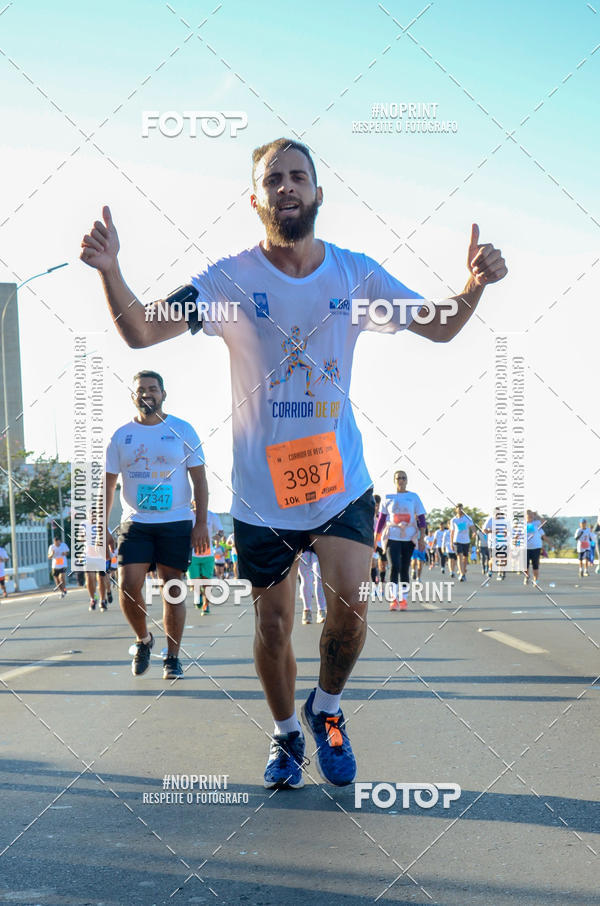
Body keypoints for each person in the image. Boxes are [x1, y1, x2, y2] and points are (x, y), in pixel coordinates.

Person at [81, 137, 507, 788]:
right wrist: (110, 271)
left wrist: (474, 285)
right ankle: (285, 735)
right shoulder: (228, 282)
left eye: (298, 176)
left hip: (339, 482)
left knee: (351, 609)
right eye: (273, 178)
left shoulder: (356, 276)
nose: (286, 186)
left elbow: (441, 324)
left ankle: (326, 709)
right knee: (275, 624)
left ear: (317, 193)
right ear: (255, 199)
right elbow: (142, 330)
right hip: (263, 495)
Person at [104, 371, 209, 679]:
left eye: (153, 389)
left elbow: (200, 480)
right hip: (136, 521)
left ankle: (172, 657)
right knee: (128, 585)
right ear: (132, 396)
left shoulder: (182, 429)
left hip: (175, 520)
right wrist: (100, 526)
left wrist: (201, 523)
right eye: (141, 390)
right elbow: (107, 485)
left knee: (172, 587)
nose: (146, 394)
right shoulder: (121, 436)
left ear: (163, 394)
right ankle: (144, 639)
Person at [381, 471, 427, 611]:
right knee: (394, 566)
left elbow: (421, 518)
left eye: (403, 478)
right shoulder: (388, 497)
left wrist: (421, 538)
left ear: (407, 480)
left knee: (404, 568)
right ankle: (393, 599)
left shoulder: (413, 497)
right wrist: (376, 536)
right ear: (394, 480)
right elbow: (381, 519)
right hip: (392, 537)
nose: (401, 480)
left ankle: (403, 599)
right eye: (398, 478)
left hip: (409, 538)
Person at [188, 509, 222, 613]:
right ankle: (198, 594)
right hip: (192, 555)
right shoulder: (187, 514)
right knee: (195, 582)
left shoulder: (212, 516)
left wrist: (212, 538)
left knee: (206, 583)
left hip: (208, 555)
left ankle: (206, 606)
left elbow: (220, 532)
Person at [298, 548, 327, 624]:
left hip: (318, 546)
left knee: (320, 578)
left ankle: (321, 610)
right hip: (302, 547)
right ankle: (307, 611)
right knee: (306, 579)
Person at [450, 504, 474, 582]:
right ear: (456, 510)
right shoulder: (453, 520)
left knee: (465, 557)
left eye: (462, 509)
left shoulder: (467, 518)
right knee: (459, 556)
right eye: (459, 509)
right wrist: (451, 543)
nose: (461, 510)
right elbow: (452, 532)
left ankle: (463, 570)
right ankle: (462, 574)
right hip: (457, 540)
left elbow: (472, 526)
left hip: (466, 540)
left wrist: (474, 532)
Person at [524, 509, 546, 586]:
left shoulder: (536, 523)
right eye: (528, 515)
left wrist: (537, 515)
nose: (530, 516)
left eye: (531, 515)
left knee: (535, 565)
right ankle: (527, 576)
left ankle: (535, 580)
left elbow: (544, 521)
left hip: (536, 547)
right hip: (525, 548)